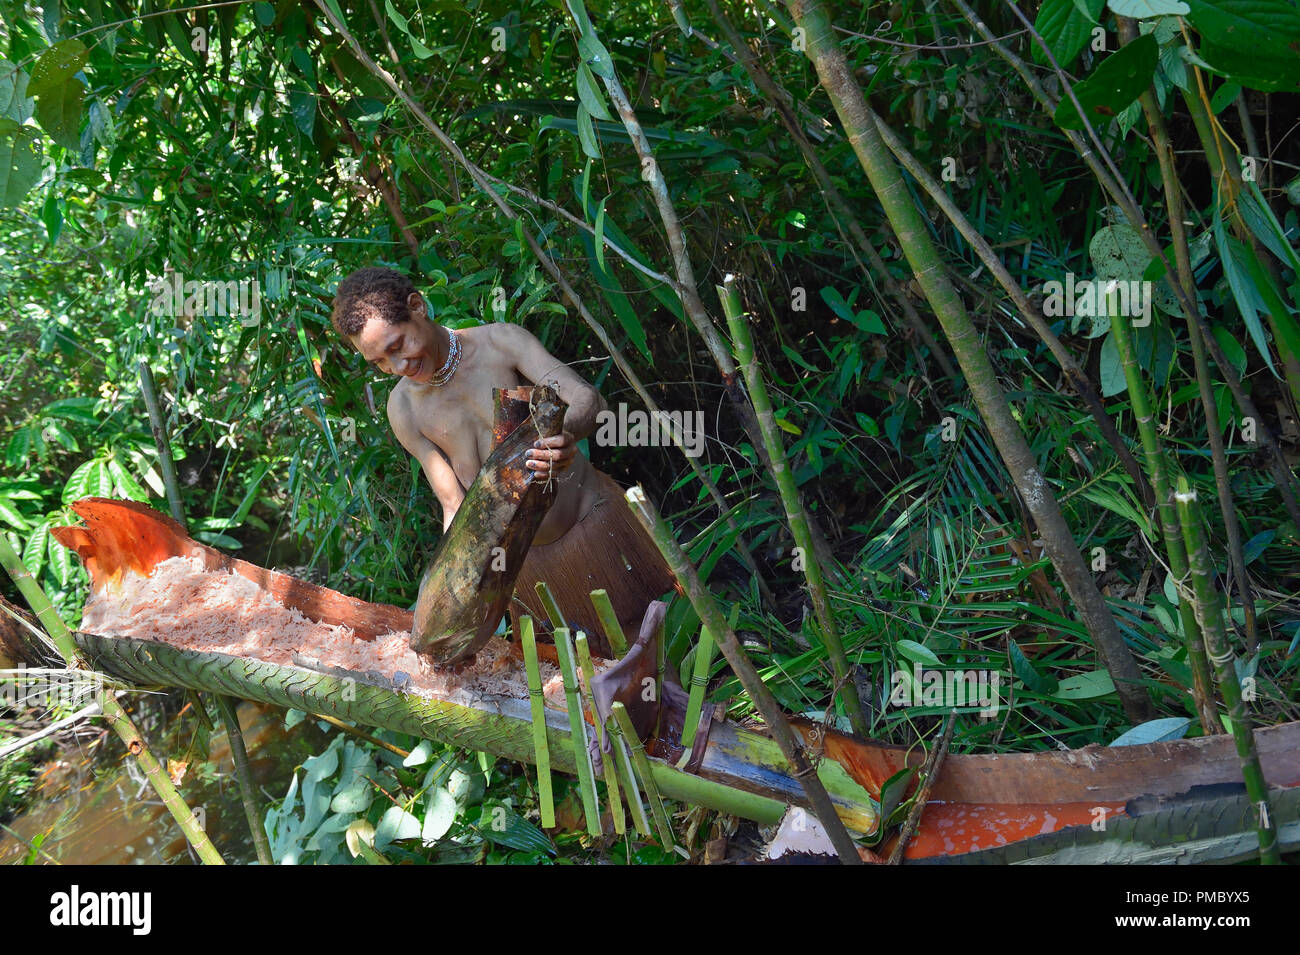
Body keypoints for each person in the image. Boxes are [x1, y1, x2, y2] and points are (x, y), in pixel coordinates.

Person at [330, 266, 675, 657]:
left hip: (594, 527)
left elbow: (588, 402)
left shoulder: (501, 343)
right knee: (586, 679)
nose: (397, 366)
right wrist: (451, 598)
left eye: (397, 346)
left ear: (417, 306)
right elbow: (453, 505)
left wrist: (564, 437)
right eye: (379, 363)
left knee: (654, 652)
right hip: (527, 571)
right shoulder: (404, 408)